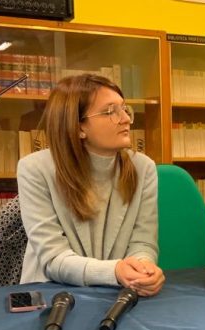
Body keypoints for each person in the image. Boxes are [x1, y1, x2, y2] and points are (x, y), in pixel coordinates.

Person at [17, 74, 165, 296]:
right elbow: (53, 258)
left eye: (125, 109)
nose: (126, 118)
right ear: (78, 128)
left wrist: (143, 269)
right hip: (52, 294)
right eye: (110, 112)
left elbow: (143, 242)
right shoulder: (35, 169)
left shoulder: (143, 168)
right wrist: (115, 271)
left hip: (117, 292)